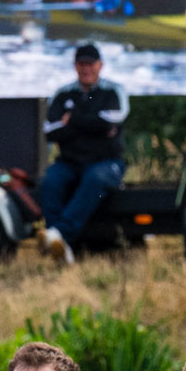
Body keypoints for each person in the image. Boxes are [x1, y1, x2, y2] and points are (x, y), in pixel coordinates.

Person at [39, 45, 129, 263]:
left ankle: (59, 236)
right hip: (70, 162)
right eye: (82, 64)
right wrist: (94, 123)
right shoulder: (63, 94)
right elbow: (50, 132)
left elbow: (114, 120)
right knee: (50, 181)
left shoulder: (113, 91)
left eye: (90, 64)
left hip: (106, 162)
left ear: (100, 65)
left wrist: (73, 120)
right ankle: (60, 248)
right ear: (75, 66)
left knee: (95, 179)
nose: (86, 69)